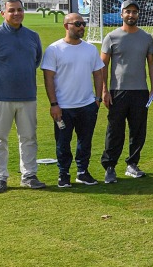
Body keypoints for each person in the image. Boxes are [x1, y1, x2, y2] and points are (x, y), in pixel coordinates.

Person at [0, 0, 46, 192]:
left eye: (19, 10)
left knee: (29, 137)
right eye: (12, 10)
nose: (16, 14)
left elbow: (36, 60)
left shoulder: (32, 36)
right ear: (3, 13)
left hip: (27, 96)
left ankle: (29, 175)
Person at [41, 13, 105, 187]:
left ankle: (82, 172)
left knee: (85, 141)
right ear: (66, 26)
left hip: (87, 105)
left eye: (83, 23)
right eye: (77, 24)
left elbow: (98, 74)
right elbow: (48, 78)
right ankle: (64, 174)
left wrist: (97, 98)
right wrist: (54, 104)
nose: (81, 27)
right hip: (63, 107)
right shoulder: (54, 49)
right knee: (63, 142)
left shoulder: (90, 49)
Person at [100, 1, 153, 183]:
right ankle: (110, 166)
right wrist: (104, 91)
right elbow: (103, 66)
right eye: (128, 12)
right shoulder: (111, 37)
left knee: (138, 130)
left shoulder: (146, 38)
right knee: (115, 130)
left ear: (138, 15)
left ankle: (132, 164)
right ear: (121, 14)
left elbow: (151, 64)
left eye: (134, 12)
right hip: (117, 91)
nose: (131, 15)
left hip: (140, 91)